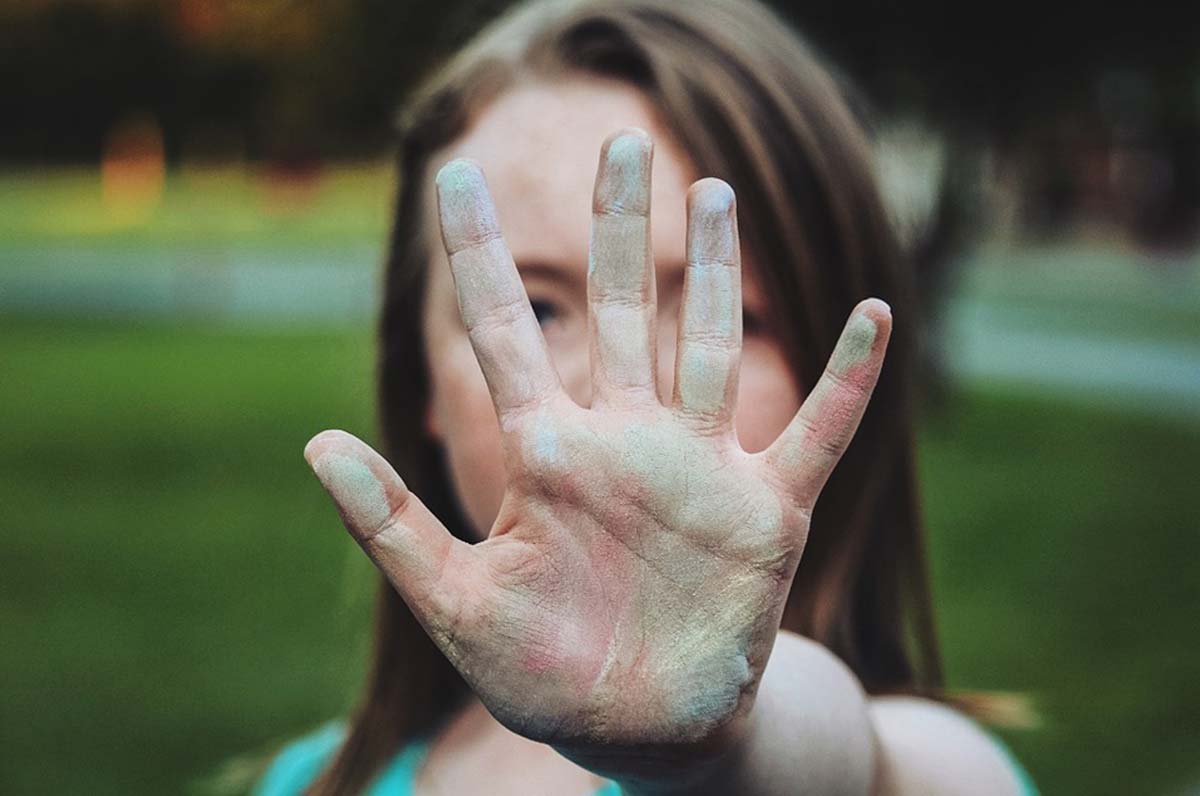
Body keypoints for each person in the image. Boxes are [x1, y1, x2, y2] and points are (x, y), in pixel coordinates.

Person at [257, 0, 1038, 793]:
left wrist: (721, 745)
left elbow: (846, 759)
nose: (621, 402)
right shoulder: (308, 781)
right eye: (538, 310)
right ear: (421, 378)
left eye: (728, 312)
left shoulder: (929, 769)